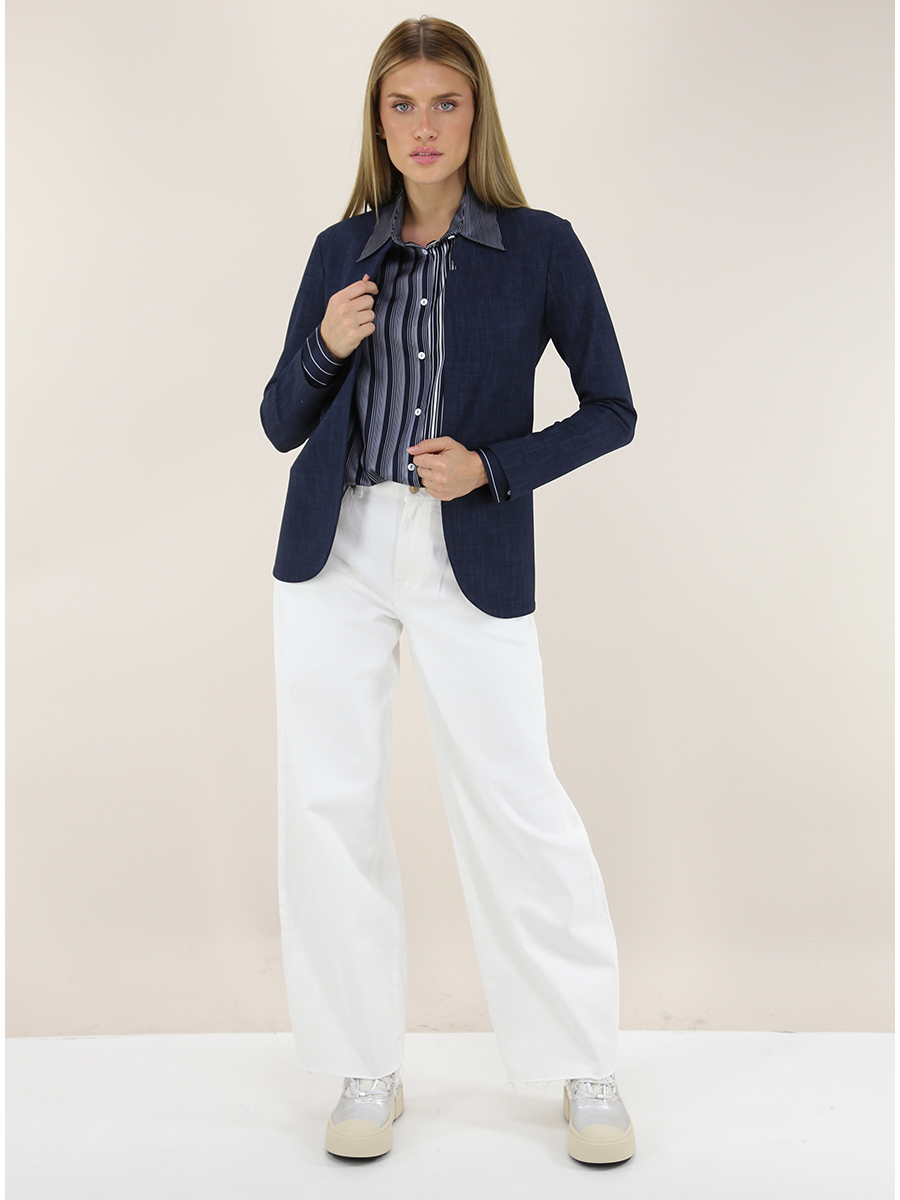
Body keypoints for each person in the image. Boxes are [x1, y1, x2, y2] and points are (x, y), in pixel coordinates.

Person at [261, 15, 637, 1165]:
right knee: (328, 802)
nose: (423, 125)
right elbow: (280, 420)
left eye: (445, 102)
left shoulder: (539, 248)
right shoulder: (340, 249)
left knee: (516, 800)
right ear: (377, 122)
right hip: (334, 550)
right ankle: (364, 1064)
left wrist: (494, 466)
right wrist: (326, 345)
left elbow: (613, 410)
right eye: (402, 104)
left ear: (477, 116)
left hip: (467, 545)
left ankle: (583, 1064)